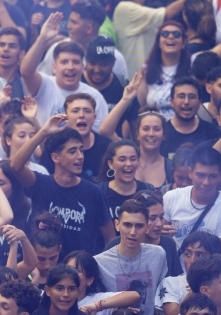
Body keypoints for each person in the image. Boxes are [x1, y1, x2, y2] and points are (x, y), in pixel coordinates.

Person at [11, 116, 115, 256]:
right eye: (72, 151)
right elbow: (16, 166)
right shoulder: (41, 183)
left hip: (78, 273)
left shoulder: (94, 192)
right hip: (42, 269)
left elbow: (110, 238)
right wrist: (43, 132)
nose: (80, 156)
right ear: (55, 157)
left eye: (81, 150)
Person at [94, 200, 167, 315]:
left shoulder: (158, 255)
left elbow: (153, 302)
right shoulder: (99, 263)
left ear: (147, 227)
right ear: (117, 225)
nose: (133, 232)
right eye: (127, 225)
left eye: (139, 226)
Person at [20, 12, 108, 131]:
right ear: (54, 67)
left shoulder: (95, 97)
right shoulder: (45, 85)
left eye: (76, 62)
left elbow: (98, 137)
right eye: (64, 62)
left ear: (83, 67)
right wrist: (43, 38)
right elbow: (26, 72)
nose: (70, 67)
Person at [162, 147, 221, 248]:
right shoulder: (171, 198)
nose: (206, 182)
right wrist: (158, 233)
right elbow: (155, 237)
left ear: (220, 175)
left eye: (212, 176)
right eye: (200, 175)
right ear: (190, 173)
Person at [65, 252, 141, 315]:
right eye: (68, 269)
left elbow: (134, 296)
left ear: (90, 280)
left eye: (77, 270)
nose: (71, 274)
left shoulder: (97, 299)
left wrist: (97, 306)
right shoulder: (56, 299)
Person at [37, 4, 128, 82]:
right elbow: (41, 81)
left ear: (89, 28)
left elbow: (121, 89)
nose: (68, 26)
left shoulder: (115, 57)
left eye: (74, 22)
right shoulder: (58, 49)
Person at [158, 231, 221, 315]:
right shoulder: (171, 283)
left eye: (200, 255)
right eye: (187, 254)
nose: (192, 260)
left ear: (214, 257)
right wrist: (194, 291)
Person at [112, 0, 185, 80]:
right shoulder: (125, 8)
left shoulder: (142, 12)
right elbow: (165, 14)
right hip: (134, 81)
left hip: (148, 78)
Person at [137, 22, 192, 121]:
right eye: (165, 34)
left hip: (186, 130)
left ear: (184, 42)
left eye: (176, 34)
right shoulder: (146, 70)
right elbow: (137, 106)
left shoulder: (192, 66)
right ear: (158, 42)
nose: (170, 37)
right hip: (156, 132)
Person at [161, 78, 221, 158]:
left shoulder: (213, 133)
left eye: (192, 97)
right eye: (181, 96)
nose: (186, 102)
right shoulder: (162, 133)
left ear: (200, 103)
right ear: (172, 102)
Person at [97, 141, 155, 223]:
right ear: (110, 164)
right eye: (122, 159)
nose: (128, 164)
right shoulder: (100, 192)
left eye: (133, 159)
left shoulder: (148, 191)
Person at [61, 93, 112, 183]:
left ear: (94, 117)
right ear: (66, 118)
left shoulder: (107, 146)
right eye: (75, 111)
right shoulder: (56, 147)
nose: (81, 115)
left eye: (87, 111)